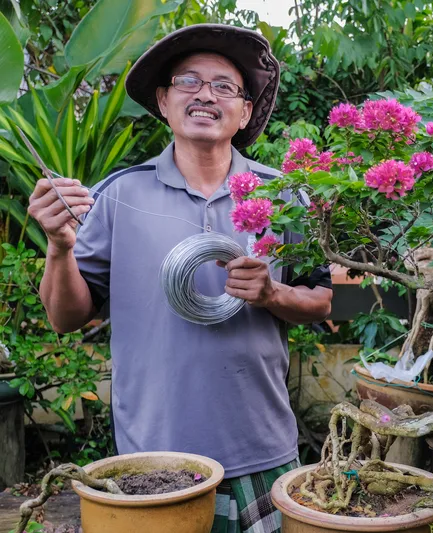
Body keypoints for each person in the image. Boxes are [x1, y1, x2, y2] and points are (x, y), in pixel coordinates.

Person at [27, 24, 333, 533]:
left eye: (224, 86)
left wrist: (273, 292)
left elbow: (344, 302)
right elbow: (64, 319)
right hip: (151, 460)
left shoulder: (291, 196)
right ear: (164, 102)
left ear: (246, 112)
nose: (205, 95)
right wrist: (59, 248)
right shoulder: (115, 196)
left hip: (261, 451)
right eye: (188, 82)